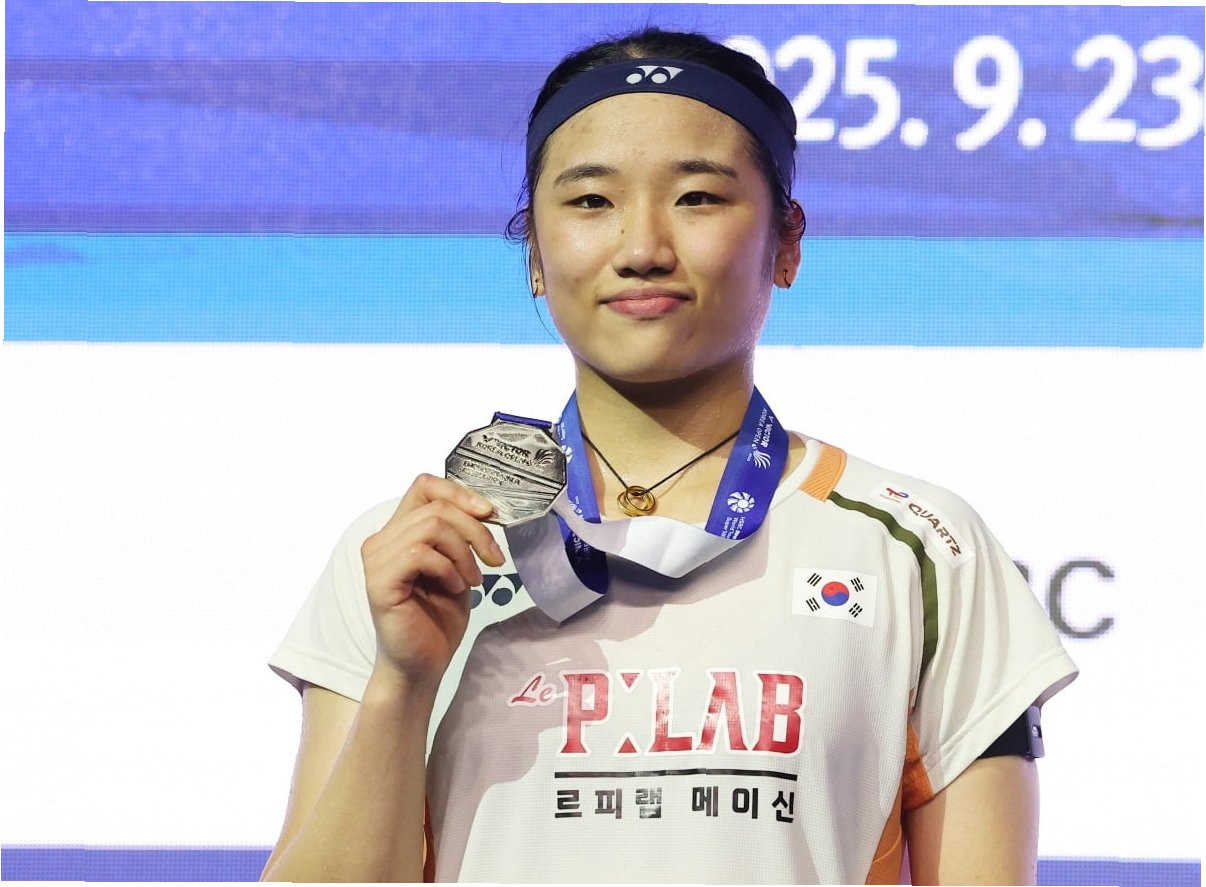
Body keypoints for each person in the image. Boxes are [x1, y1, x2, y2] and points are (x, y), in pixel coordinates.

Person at [261, 27, 1077, 885]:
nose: (643, 247)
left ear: (787, 241)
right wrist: (400, 683)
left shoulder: (921, 549)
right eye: (590, 202)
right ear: (534, 251)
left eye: (697, 197)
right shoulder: (415, 557)